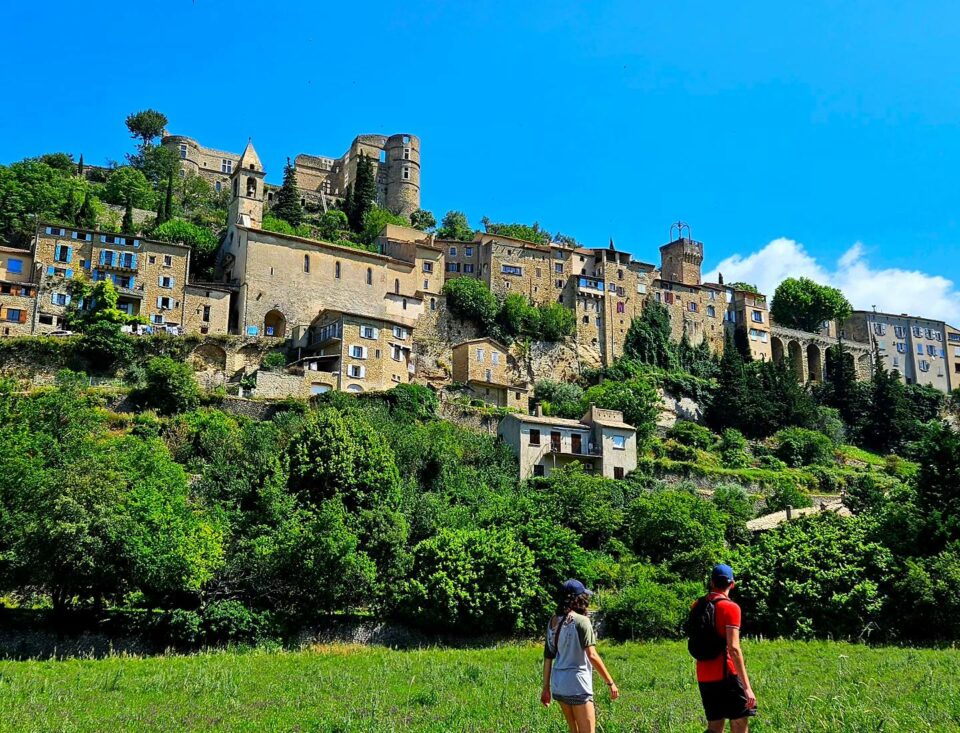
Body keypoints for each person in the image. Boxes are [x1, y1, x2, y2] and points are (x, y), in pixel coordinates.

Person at [540, 579, 618, 733]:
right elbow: (593, 655)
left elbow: (548, 658)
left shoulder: (552, 622)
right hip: (578, 684)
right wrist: (610, 683)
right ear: (578, 599)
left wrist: (546, 689)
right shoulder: (582, 621)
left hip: (559, 686)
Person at [692, 564, 757, 733]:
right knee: (739, 721)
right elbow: (734, 648)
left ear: (712, 582)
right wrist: (747, 687)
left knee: (714, 726)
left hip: (704, 674)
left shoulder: (697, 605)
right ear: (732, 584)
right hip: (726, 674)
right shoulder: (731, 608)